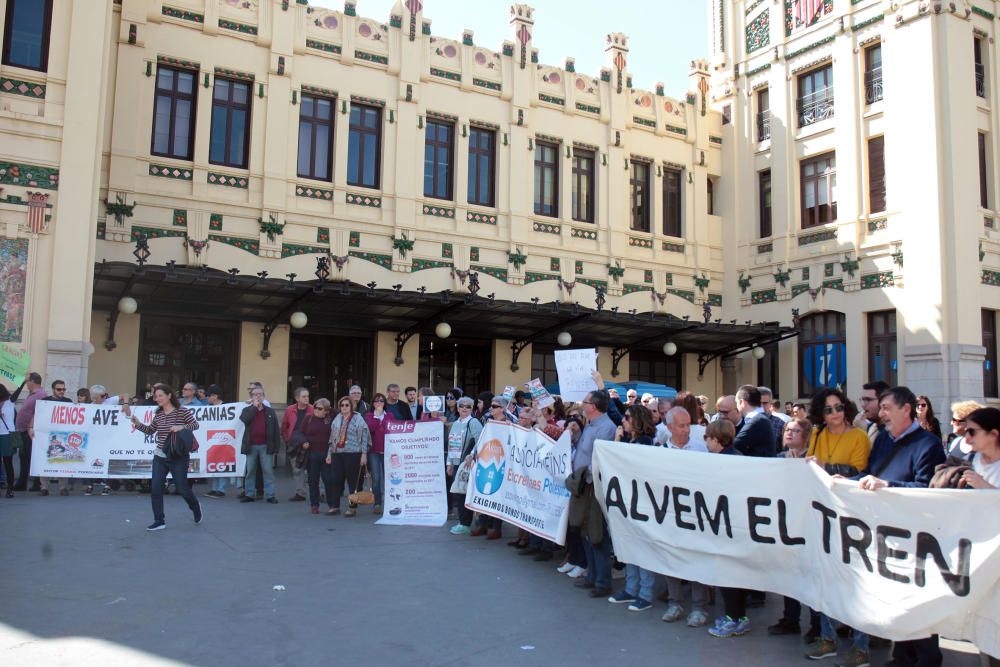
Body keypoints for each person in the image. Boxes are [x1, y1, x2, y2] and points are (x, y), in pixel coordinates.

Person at [851, 386, 947, 667]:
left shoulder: (928, 444)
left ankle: (928, 658)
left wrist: (889, 487)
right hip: (886, 532)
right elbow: (871, 473)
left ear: (907, 409)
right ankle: (902, 655)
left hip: (917, 534)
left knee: (918, 599)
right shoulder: (882, 440)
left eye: (886, 408)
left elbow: (927, 488)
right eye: (880, 408)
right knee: (896, 598)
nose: (881, 414)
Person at [123, 383, 201, 531]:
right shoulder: (158, 414)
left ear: (169, 396)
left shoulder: (181, 412)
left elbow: (195, 425)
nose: (157, 398)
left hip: (178, 456)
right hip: (160, 455)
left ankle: (195, 506)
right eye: (155, 396)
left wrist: (181, 427)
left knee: (182, 488)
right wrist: (137, 423)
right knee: (156, 489)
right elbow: (150, 430)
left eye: (160, 395)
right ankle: (159, 520)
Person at [768, 418, 819, 640]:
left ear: (806, 435)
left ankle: (817, 625)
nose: (789, 433)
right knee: (789, 573)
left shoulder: (813, 461)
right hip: (785, 523)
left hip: (809, 523)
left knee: (811, 576)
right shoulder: (778, 459)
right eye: (787, 430)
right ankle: (790, 619)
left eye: (795, 430)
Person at [607, 403, 657, 613]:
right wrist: (618, 440)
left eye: (627, 417)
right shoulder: (630, 439)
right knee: (629, 545)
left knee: (642, 548)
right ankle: (630, 588)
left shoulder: (645, 442)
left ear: (637, 420)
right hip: (627, 499)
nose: (623, 420)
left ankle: (645, 594)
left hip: (642, 501)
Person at [704, 419, 752, 639]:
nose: (705, 442)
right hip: (734, 527)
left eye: (708, 437)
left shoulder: (725, 461)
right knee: (735, 576)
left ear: (716, 439)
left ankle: (734, 618)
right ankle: (738, 617)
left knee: (727, 576)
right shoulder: (735, 456)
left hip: (728, 528)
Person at [573, 389, 617, 598]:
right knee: (584, 532)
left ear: (595, 406)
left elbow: (599, 459)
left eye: (586, 401)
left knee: (597, 535)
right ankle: (592, 575)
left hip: (594, 486)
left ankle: (602, 581)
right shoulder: (591, 424)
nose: (582, 403)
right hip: (583, 485)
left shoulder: (606, 427)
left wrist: (584, 476)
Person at [805, 388, 871, 477]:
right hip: (818, 488)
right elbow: (808, 463)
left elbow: (859, 471)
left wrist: (825, 467)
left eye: (838, 407)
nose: (835, 412)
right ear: (821, 413)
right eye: (828, 410)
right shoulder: (816, 433)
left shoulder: (860, 437)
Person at [325, 396, 370, 517]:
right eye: (342, 405)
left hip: (353, 453)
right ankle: (335, 506)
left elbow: (364, 437)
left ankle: (352, 507)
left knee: (352, 482)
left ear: (351, 406)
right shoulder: (336, 419)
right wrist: (329, 453)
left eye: (347, 405)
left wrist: (364, 454)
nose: (344, 407)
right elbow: (332, 438)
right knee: (335, 480)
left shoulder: (357, 418)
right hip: (337, 453)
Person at [447, 396, 484, 535]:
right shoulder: (456, 423)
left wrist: (471, 455)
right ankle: (463, 521)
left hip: (467, 464)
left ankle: (465, 523)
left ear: (472, 408)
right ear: (457, 407)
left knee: (464, 494)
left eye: (468, 406)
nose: (464, 408)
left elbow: (480, 441)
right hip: (457, 463)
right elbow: (451, 445)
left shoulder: (474, 422)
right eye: (461, 405)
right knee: (458, 493)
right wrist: (449, 464)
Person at [239, 386, 280, 504]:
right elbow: (245, 420)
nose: (258, 396)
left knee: (268, 471)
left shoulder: (270, 411)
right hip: (251, 445)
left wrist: (276, 447)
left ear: (264, 396)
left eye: (260, 394)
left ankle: (270, 495)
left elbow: (276, 430)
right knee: (250, 471)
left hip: (266, 446)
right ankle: (249, 494)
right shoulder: (247, 410)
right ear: (251, 397)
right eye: (255, 394)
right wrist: (255, 408)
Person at [13, 371, 46, 492]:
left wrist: (30, 427)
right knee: (24, 457)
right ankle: (23, 483)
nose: (26, 383)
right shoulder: (33, 394)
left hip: (30, 432)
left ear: (32, 381)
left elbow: (40, 413)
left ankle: (36, 483)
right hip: (23, 430)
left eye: (27, 381)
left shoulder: (40, 394)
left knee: (31, 457)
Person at [39, 380, 73, 496]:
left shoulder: (68, 402)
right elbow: (39, 417)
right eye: (59, 389)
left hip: (63, 436)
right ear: (53, 389)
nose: (62, 391)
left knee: (63, 461)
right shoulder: (45, 401)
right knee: (45, 460)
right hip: (47, 435)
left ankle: (63, 487)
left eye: (63, 389)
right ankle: (44, 487)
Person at [302, 398, 334, 514]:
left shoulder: (331, 420)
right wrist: (304, 441)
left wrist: (329, 409)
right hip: (312, 454)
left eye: (320, 408)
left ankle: (332, 504)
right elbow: (300, 433)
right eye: (315, 407)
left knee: (328, 480)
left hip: (326, 454)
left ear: (326, 411)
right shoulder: (308, 419)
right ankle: (314, 505)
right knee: (313, 481)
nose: (316, 410)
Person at [281, 387, 312, 503]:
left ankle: (320, 493)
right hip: (294, 444)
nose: (306, 398)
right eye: (304, 396)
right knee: (297, 469)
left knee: (312, 470)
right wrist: (287, 439)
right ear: (297, 398)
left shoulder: (313, 410)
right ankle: (301, 493)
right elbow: (284, 426)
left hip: (309, 444)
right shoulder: (290, 410)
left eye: (307, 396)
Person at [203, 385, 233, 498]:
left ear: (215, 396)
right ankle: (214, 488)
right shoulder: (208, 408)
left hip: (224, 439)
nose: (207, 398)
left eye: (209, 395)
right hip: (212, 438)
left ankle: (221, 489)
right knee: (213, 463)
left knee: (222, 463)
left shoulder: (226, 407)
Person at [364, 392, 392, 514]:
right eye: (376, 401)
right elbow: (371, 428)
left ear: (384, 403)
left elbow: (390, 429)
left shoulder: (390, 415)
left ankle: (389, 502)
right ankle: (377, 503)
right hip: (374, 451)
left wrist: (383, 417)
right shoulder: (369, 415)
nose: (379, 403)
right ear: (373, 403)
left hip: (388, 451)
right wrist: (378, 417)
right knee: (376, 478)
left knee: (388, 478)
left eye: (381, 401)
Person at [733, 385, 776, 458]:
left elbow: (735, 445)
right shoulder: (759, 419)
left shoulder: (757, 421)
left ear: (742, 402)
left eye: (736, 402)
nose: (736, 406)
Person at [0, 384, 15, 498]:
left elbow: (18, 392)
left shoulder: (9, 403)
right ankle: (8, 488)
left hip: (7, 435)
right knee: (6, 463)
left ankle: (10, 488)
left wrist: (23, 382)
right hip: (4, 435)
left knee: (8, 462)